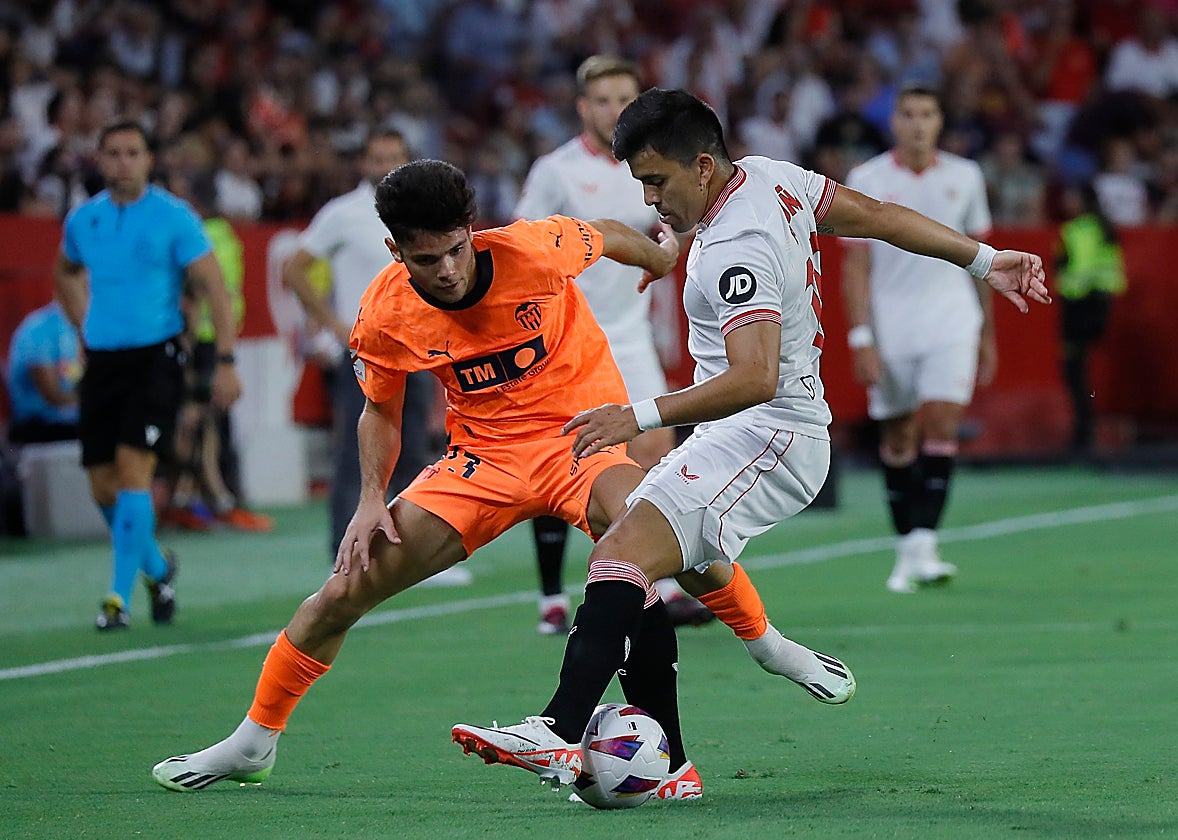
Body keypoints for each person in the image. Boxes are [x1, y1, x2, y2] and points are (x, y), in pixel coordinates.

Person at [150, 160, 851, 798]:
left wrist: (661, 256)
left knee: (654, 539)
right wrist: (369, 500)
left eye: (457, 249)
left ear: (472, 232)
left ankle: (758, 658)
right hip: (481, 460)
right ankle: (253, 742)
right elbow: (379, 410)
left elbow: (606, 233)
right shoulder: (387, 309)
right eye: (428, 259)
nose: (449, 269)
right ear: (397, 252)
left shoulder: (532, 248)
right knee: (343, 589)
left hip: (580, 437)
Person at [452, 88, 1048, 794]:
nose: (650, 199)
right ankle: (718, 709)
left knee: (622, 551)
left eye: (656, 181)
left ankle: (557, 730)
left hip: (773, 436)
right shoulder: (769, 176)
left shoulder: (740, 246)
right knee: (650, 547)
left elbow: (756, 377)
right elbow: (878, 217)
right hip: (745, 433)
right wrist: (983, 259)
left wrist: (637, 415)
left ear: (702, 166)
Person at [513, 54, 709, 633]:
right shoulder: (557, 170)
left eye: (624, 98)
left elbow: (683, 224)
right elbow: (525, 244)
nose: (614, 110)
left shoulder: (653, 164)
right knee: (558, 461)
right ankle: (551, 595)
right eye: (602, 100)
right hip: (566, 342)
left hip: (630, 332)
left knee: (657, 449)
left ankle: (658, 585)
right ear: (583, 108)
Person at [53, 120, 243, 630]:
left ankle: (117, 598)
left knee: (133, 470)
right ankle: (158, 569)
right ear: (99, 159)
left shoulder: (173, 218)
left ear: (148, 160)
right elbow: (66, 272)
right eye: (112, 152)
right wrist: (82, 323)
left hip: (155, 358)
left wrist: (225, 360)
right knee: (101, 485)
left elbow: (214, 288)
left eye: (132, 152)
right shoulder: (83, 221)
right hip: (102, 360)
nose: (122, 162)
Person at [281, 130, 459, 581]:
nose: (386, 164)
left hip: (418, 345)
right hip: (365, 349)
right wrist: (334, 324)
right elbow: (294, 268)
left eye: (395, 156)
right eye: (379, 156)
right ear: (364, 162)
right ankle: (343, 554)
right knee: (353, 451)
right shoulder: (343, 214)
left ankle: (422, 555)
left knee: (415, 446)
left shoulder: (418, 211)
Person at [840, 85, 996, 594]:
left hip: (953, 320)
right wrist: (861, 336)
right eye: (908, 114)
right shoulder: (867, 179)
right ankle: (907, 550)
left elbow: (981, 259)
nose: (918, 124)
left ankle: (925, 545)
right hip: (892, 325)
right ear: (894, 123)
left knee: (942, 419)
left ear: (940, 121)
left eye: (927, 114)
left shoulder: (966, 176)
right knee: (899, 435)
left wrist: (987, 331)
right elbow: (856, 264)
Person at [162, 171, 274, 533]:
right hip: (201, 343)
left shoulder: (203, 236)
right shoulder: (215, 237)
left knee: (206, 422)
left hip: (209, 341)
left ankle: (194, 500)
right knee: (200, 422)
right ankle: (205, 500)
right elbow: (195, 295)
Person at [1054, 183, 1126, 454]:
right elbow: (1112, 270)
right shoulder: (1106, 228)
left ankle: (1083, 433)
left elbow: (1075, 271)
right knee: (1086, 371)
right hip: (1100, 306)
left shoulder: (1076, 230)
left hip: (1078, 306)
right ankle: (1086, 431)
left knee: (1073, 370)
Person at [5, 296, 82, 444]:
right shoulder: (38, 328)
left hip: (70, 424)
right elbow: (53, 395)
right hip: (40, 427)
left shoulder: (80, 328)